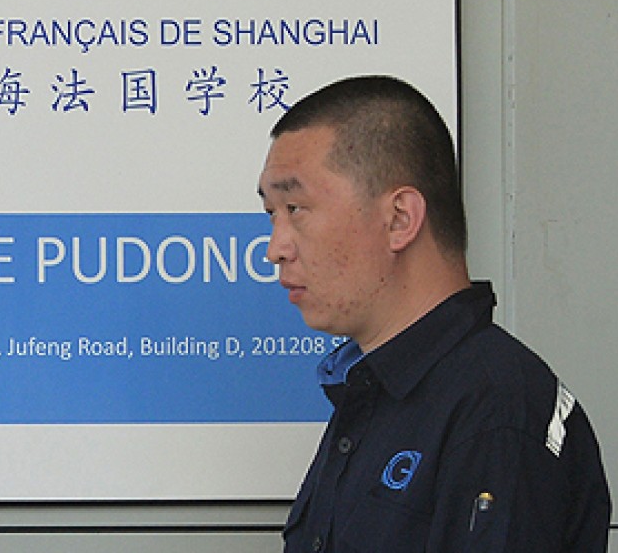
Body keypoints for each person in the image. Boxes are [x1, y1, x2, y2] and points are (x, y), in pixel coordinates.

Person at [258, 76, 610, 552]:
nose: (275, 248)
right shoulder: (375, 395)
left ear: (400, 218)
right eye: (271, 214)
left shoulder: (496, 411)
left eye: (296, 208)